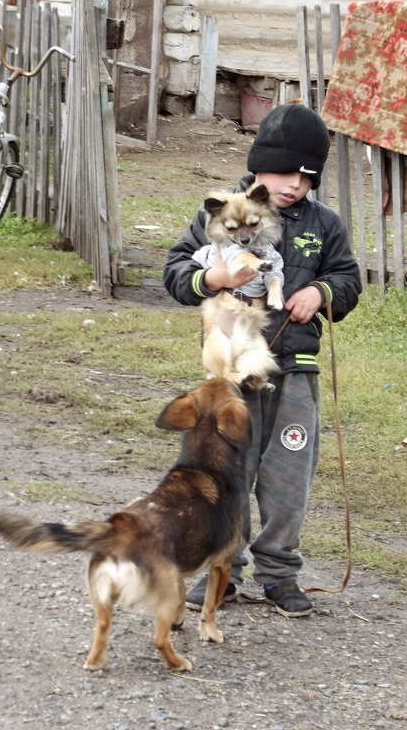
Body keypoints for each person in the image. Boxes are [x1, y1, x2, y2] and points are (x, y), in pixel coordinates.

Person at [162, 104, 362, 618]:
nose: (296, 185)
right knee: (226, 471)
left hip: (294, 371)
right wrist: (210, 280)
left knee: (287, 475)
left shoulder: (324, 223)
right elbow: (176, 269)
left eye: (307, 176)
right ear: (259, 166)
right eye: (286, 172)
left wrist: (320, 291)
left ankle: (279, 573)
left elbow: (348, 278)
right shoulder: (220, 211)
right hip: (230, 371)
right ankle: (221, 571)